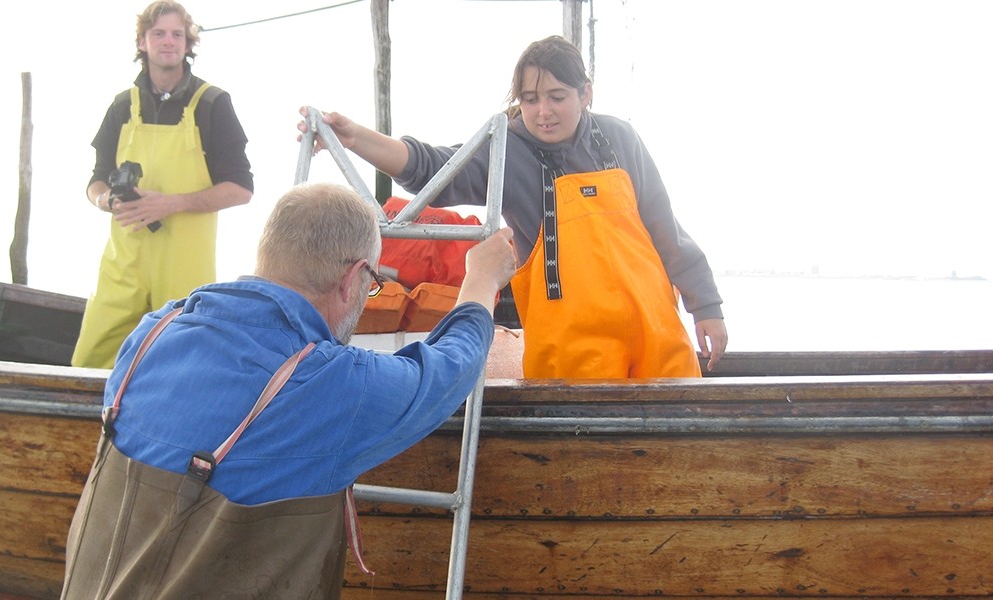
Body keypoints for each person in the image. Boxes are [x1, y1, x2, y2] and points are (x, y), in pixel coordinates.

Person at [60, 182, 517, 599]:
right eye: (373, 283)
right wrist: (480, 281)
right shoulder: (328, 385)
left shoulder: (151, 333)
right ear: (353, 276)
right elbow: (451, 367)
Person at [299, 35, 728, 378]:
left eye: (557, 97)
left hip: (658, 333)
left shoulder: (620, 138)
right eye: (529, 99)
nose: (542, 112)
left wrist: (706, 308)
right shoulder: (505, 148)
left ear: (586, 94)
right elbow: (430, 168)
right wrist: (354, 138)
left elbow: (665, 229)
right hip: (570, 352)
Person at [71, 0, 254, 369]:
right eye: (158, 34)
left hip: (184, 268)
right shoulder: (123, 105)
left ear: (188, 43)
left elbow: (241, 188)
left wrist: (171, 203)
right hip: (123, 263)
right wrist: (107, 200)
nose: (168, 41)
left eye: (176, 34)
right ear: (142, 42)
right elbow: (96, 179)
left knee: (181, 368)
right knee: (89, 361)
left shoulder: (213, 104)